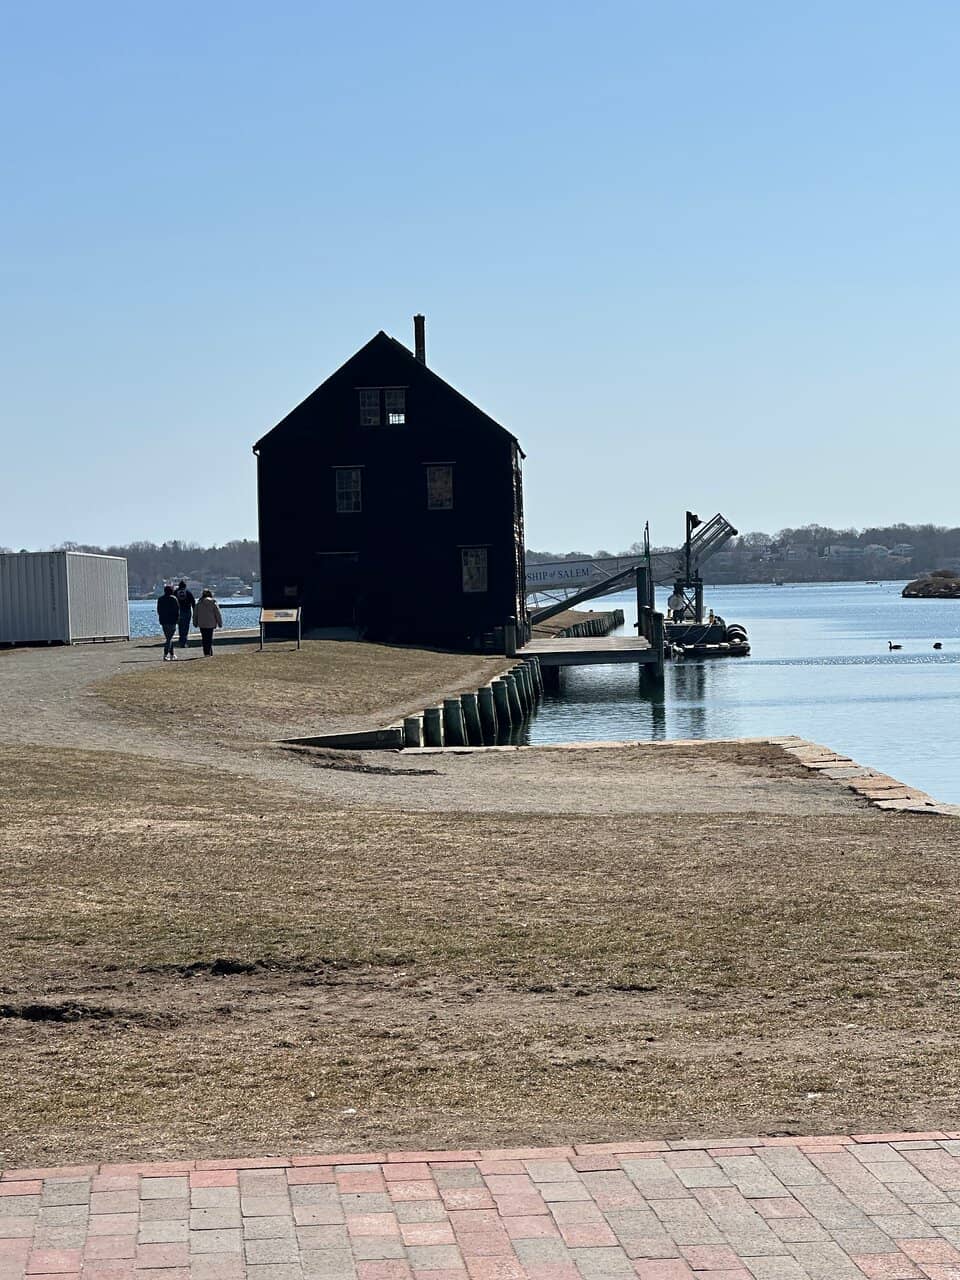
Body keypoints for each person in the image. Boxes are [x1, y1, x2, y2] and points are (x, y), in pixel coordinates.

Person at [193, 588, 223, 656]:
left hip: (202, 623)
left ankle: (206, 652)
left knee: (204, 638)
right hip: (211, 623)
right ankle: (209, 652)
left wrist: (195, 623)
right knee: (209, 638)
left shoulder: (199, 603)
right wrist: (220, 623)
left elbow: (195, 614)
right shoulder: (213, 602)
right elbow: (217, 614)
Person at [156, 584, 180, 660]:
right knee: (169, 638)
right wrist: (177, 619)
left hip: (164, 620)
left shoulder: (160, 599)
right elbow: (177, 610)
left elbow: (159, 610)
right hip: (172, 621)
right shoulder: (173, 599)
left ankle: (172, 654)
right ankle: (165, 654)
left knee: (169, 637)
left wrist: (160, 618)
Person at [175, 579, 195, 648]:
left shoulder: (175, 592)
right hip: (187, 611)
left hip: (178, 612)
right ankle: (184, 641)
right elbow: (193, 602)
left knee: (180, 627)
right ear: (185, 586)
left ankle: (181, 641)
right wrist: (194, 612)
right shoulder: (188, 592)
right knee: (186, 627)